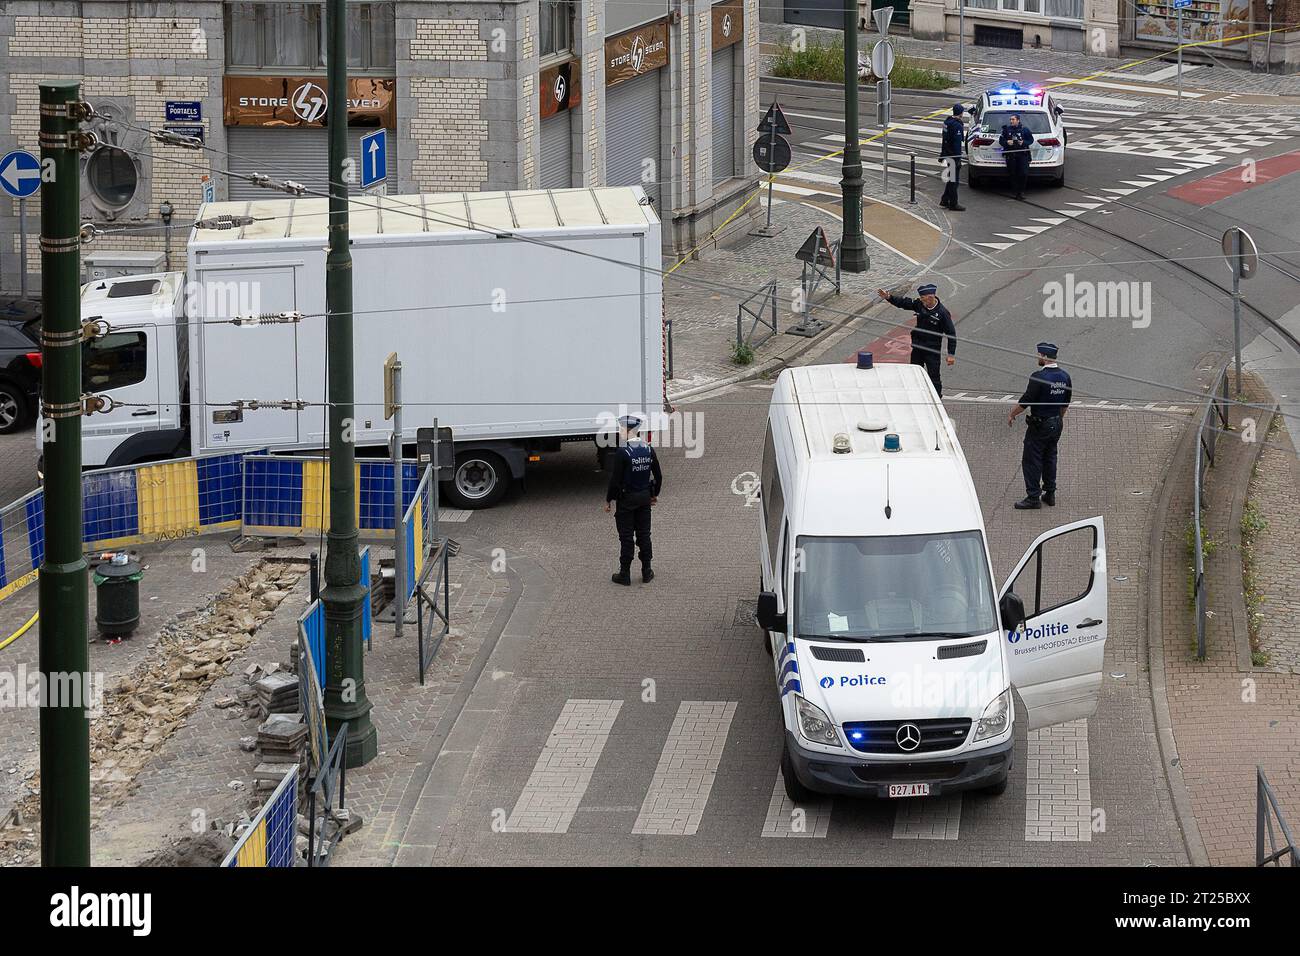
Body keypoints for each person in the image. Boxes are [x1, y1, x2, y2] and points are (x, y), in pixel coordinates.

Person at [1007, 342, 1072, 510]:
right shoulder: (1065, 376)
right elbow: (1065, 403)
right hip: (1056, 422)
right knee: (1050, 457)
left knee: (1032, 459)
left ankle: (1033, 497)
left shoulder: (1038, 376)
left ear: (1043, 356)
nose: (1037, 357)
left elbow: (1026, 401)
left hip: (1040, 424)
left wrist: (1012, 413)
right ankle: (1050, 493)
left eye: (1038, 355)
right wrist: (1059, 419)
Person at [604, 415, 662, 585]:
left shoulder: (623, 452)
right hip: (644, 498)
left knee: (626, 537)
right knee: (644, 534)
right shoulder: (648, 449)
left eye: (621, 429)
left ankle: (625, 573)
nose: (620, 432)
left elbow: (615, 480)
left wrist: (609, 500)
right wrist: (653, 495)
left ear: (629, 431)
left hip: (627, 500)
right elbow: (658, 476)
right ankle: (646, 570)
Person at [875, 282, 957, 397]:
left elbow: (951, 334)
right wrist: (889, 297)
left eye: (923, 299)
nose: (921, 301)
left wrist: (951, 354)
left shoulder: (942, 313)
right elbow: (904, 303)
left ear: (931, 297)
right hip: (918, 347)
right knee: (913, 372)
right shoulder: (920, 304)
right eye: (921, 299)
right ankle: (915, 395)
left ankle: (937, 398)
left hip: (932, 350)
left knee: (934, 376)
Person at [999, 114, 1035, 201]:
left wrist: (1023, 142)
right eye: (1010, 119)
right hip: (1011, 156)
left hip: (1022, 155)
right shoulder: (1006, 130)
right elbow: (1001, 140)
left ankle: (1021, 191)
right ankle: (1016, 191)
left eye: (1013, 119)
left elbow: (1031, 140)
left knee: (1023, 173)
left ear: (1018, 120)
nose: (1011, 121)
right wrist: (1007, 142)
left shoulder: (1024, 130)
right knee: (1012, 174)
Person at [940, 103, 966, 212]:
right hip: (954, 155)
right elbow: (956, 143)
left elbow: (944, 140)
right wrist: (958, 158)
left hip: (947, 153)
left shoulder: (947, 122)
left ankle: (945, 200)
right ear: (961, 113)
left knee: (951, 178)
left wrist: (942, 154)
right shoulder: (957, 125)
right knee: (954, 181)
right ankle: (953, 203)